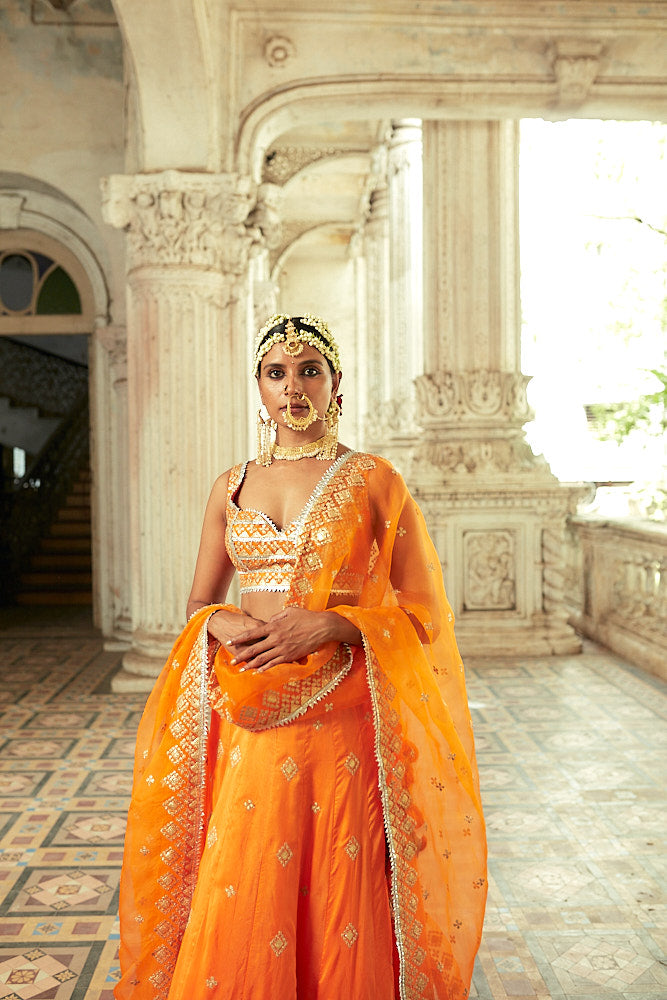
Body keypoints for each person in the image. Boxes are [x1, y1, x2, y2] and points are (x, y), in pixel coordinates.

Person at [115, 314, 487, 1000]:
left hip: (342, 713)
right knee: (249, 866)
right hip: (249, 706)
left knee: (340, 876)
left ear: (335, 384)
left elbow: (423, 614)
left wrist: (330, 625)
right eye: (276, 373)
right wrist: (226, 627)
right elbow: (198, 604)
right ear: (257, 388)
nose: (293, 387)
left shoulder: (374, 479)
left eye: (309, 370)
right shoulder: (230, 485)